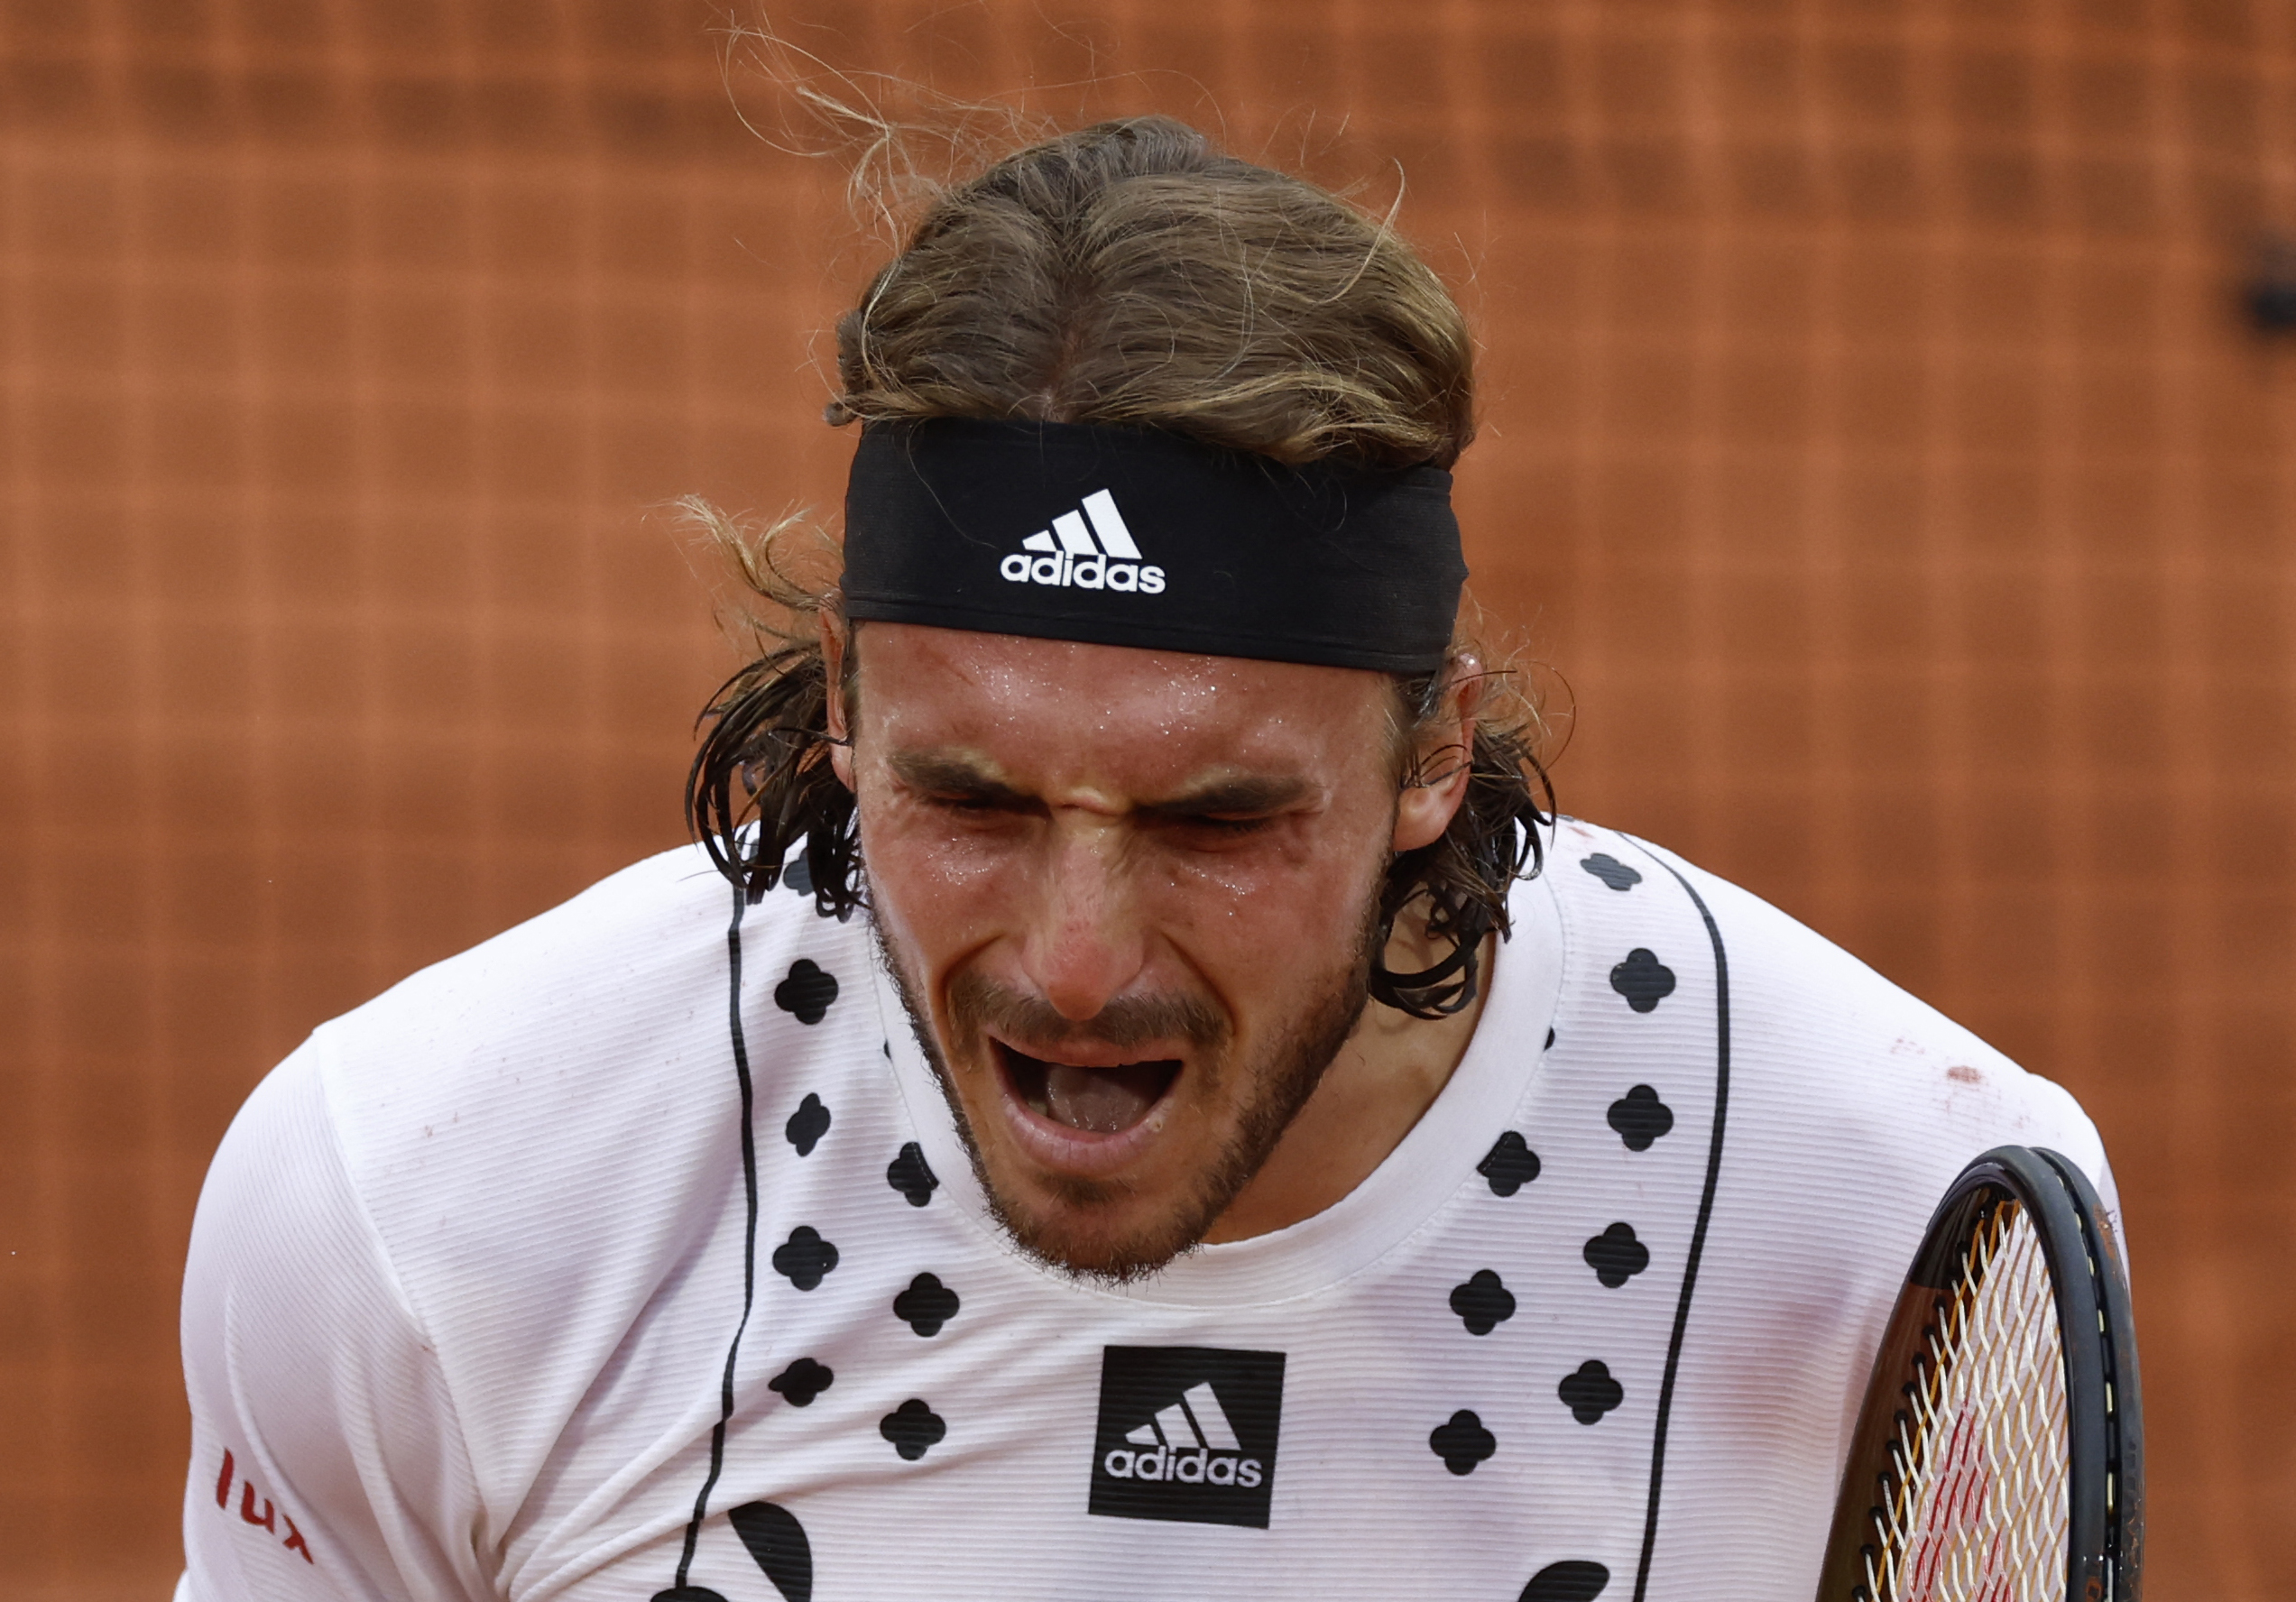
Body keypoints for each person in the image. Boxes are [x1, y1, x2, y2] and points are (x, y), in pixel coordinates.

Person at [177, 116, 2116, 1602]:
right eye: (974, 802)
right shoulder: (439, 1206)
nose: (1079, 961)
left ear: (1432, 746)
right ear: (840, 705)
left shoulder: (1870, 1211)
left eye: (1215, 821)